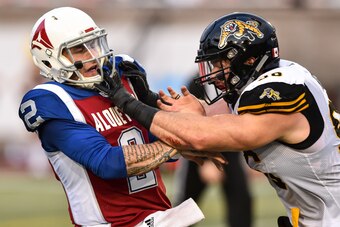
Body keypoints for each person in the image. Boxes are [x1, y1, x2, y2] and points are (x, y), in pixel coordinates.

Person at [95, 12, 340, 227]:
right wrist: (148, 97)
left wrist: (127, 102)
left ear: (248, 59)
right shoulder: (269, 81)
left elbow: (201, 135)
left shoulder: (278, 92)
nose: (212, 74)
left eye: (218, 63)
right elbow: (202, 119)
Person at [18, 7, 225, 227]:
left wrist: (176, 116)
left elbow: (160, 149)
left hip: (157, 215)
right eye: (79, 49)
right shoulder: (53, 100)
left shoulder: (122, 74)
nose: (93, 56)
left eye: (94, 44)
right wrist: (183, 137)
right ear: (50, 60)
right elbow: (107, 163)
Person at [174, 76, 252, 227]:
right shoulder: (196, 83)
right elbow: (192, 125)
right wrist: (206, 162)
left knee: (241, 198)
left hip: (229, 149)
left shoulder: (240, 82)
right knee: (185, 205)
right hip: (198, 150)